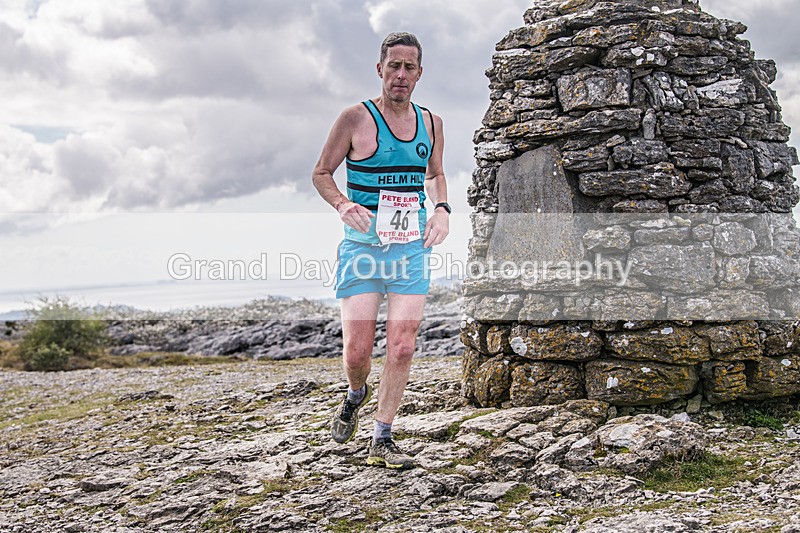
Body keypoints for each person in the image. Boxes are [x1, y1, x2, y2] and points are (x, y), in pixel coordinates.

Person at [311, 32, 450, 469]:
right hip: (363, 250)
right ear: (380, 69)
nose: (401, 75)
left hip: (411, 249)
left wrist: (442, 210)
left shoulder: (431, 123)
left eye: (410, 67)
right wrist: (343, 203)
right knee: (357, 352)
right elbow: (321, 173)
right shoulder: (355, 118)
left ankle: (382, 436)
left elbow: (435, 174)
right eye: (394, 66)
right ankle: (356, 393)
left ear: (420, 74)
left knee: (403, 347)